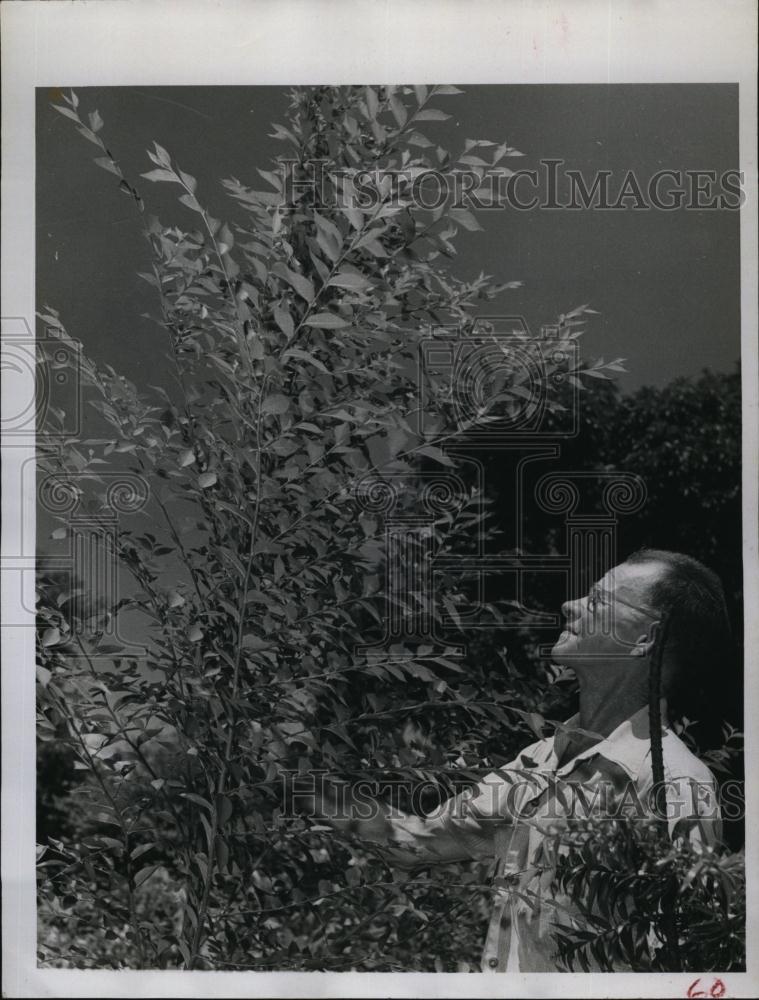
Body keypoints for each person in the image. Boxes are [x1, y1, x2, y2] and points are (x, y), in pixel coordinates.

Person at [298, 549, 729, 971]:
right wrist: (289, 779)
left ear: (644, 640)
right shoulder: (539, 761)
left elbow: (689, 950)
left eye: (598, 599)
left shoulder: (676, 782)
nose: (569, 605)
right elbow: (414, 841)